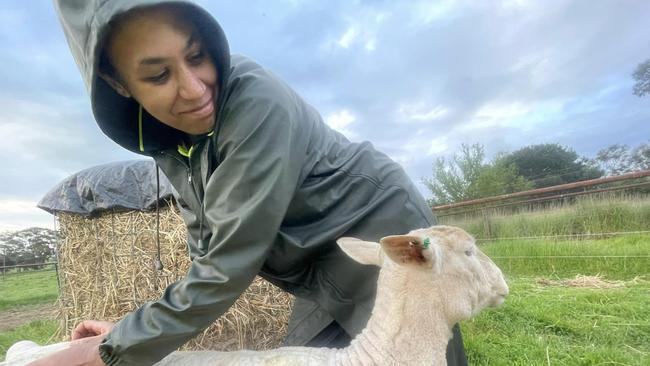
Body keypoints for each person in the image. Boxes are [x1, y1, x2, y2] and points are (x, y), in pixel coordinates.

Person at [43, 1, 468, 365]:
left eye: (196, 57)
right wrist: (129, 335)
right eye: (158, 76)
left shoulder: (254, 102)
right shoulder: (174, 142)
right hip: (316, 263)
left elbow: (228, 264)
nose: (193, 90)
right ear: (119, 86)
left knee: (407, 353)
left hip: (377, 234)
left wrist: (113, 350)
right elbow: (206, 254)